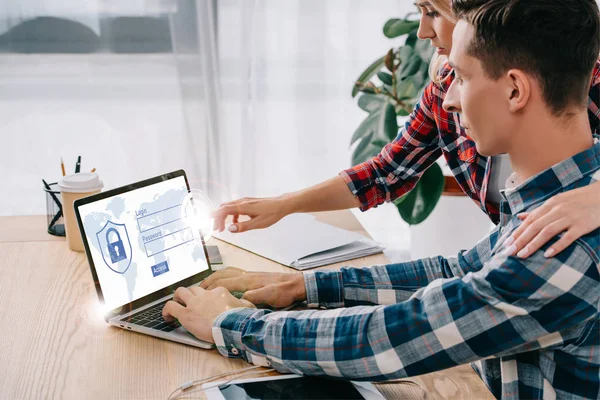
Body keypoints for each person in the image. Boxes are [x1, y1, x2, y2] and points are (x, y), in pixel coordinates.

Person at [163, 0, 600, 398]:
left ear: (514, 90)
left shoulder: (563, 244)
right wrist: (303, 286)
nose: (446, 99)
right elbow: (463, 270)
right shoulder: (555, 198)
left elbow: (397, 337)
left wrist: (229, 325)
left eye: (462, 77)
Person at [212, 0, 600, 261]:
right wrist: (284, 205)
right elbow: (385, 173)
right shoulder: (445, 93)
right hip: (524, 258)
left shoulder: (577, 79)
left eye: (432, 11)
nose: (421, 32)